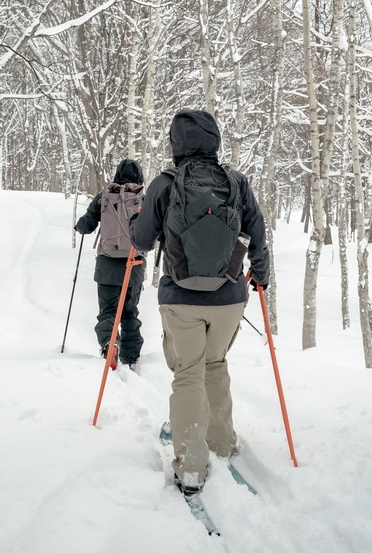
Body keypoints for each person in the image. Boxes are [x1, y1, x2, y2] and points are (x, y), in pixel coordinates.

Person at [128, 110, 270, 496]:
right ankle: (221, 443)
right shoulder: (236, 182)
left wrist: (134, 224)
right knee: (215, 364)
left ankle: (192, 467)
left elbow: (140, 241)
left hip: (180, 299)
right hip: (229, 298)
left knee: (188, 373)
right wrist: (262, 275)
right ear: (214, 140)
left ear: (177, 143)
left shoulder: (164, 183)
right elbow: (257, 232)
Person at [73, 159, 146, 366]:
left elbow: (87, 226)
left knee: (108, 310)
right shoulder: (143, 199)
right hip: (134, 264)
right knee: (130, 311)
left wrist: (78, 227)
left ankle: (109, 343)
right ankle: (131, 358)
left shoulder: (104, 196)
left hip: (107, 264)